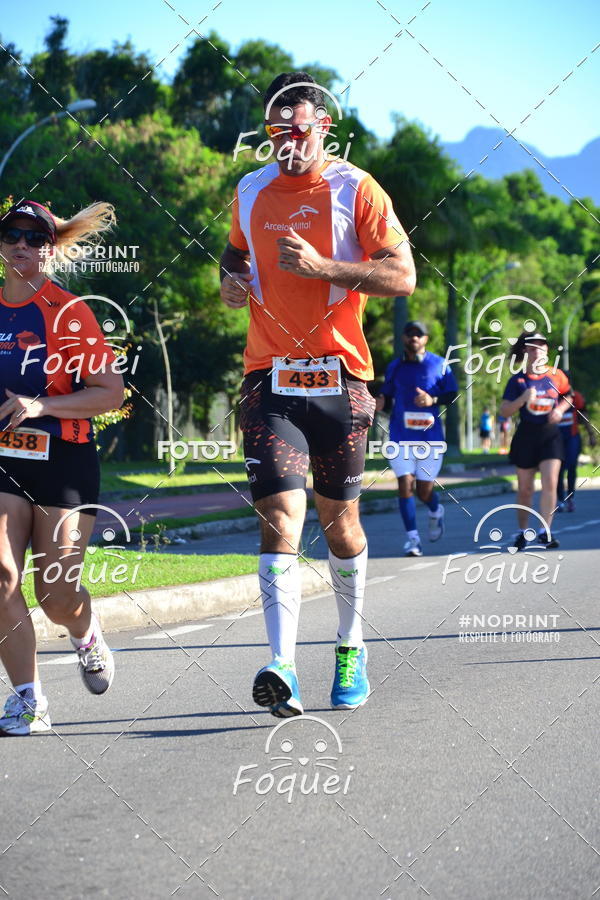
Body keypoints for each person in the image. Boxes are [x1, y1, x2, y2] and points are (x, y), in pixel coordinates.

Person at [220, 73, 415, 716]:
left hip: (342, 380)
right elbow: (234, 258)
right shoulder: (248, 190)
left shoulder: (354, 188)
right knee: (279, 516)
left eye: (300, 128)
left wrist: (326, 268)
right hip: (269, 378)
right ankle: (282, 665)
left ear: (323, 127)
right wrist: (230, 281)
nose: (290, 140)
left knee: (341, 527)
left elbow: (402, 274)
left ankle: (350, 646)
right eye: (278, 129)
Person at [0, 199, 124, 736]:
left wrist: (43, 406)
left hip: (63, 462)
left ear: (50, 248)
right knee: (2, 577)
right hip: (3, 462)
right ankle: (28, 699)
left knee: (56, 597)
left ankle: (86, 632)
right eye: (12, 235)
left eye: (34, 238)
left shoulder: (68, 313)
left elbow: (109, 392)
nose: (21, 245)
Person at [375, 321, 458, 557]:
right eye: (410, 334)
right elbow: (388, 395)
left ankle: (435, 509)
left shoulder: (440, 364)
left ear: (426, 339)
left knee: (423, 492)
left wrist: (432, 400)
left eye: (418, 334)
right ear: (403, 338)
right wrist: (381, 400)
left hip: (430, 439)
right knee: (404, 485)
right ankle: (413, 540)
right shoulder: (395, 367)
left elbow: (451, 394)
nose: (414, 338)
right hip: (400, 437)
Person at [499, 332, 571, 550]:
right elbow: (504, 410)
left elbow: (569, 396)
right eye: (532, 348)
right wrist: (522, 399)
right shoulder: (518, 380)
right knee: (525, 489)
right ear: (525, 352)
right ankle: (522, 532)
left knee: (550, 482)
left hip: (550, 435)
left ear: (547, 350)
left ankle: (545, 532)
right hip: (526, 435)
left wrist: (560, 409)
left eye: (541, 346)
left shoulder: (556, 375)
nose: (537, 350)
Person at [557, 386, 596, 512]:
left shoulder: (575, 396)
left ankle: (570, 498)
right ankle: (559, 499)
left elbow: (584, 415)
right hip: (556, 439)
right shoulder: (551, 395)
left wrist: (591, 434)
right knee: (558, 469)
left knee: (572, 466)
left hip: (572, 437)